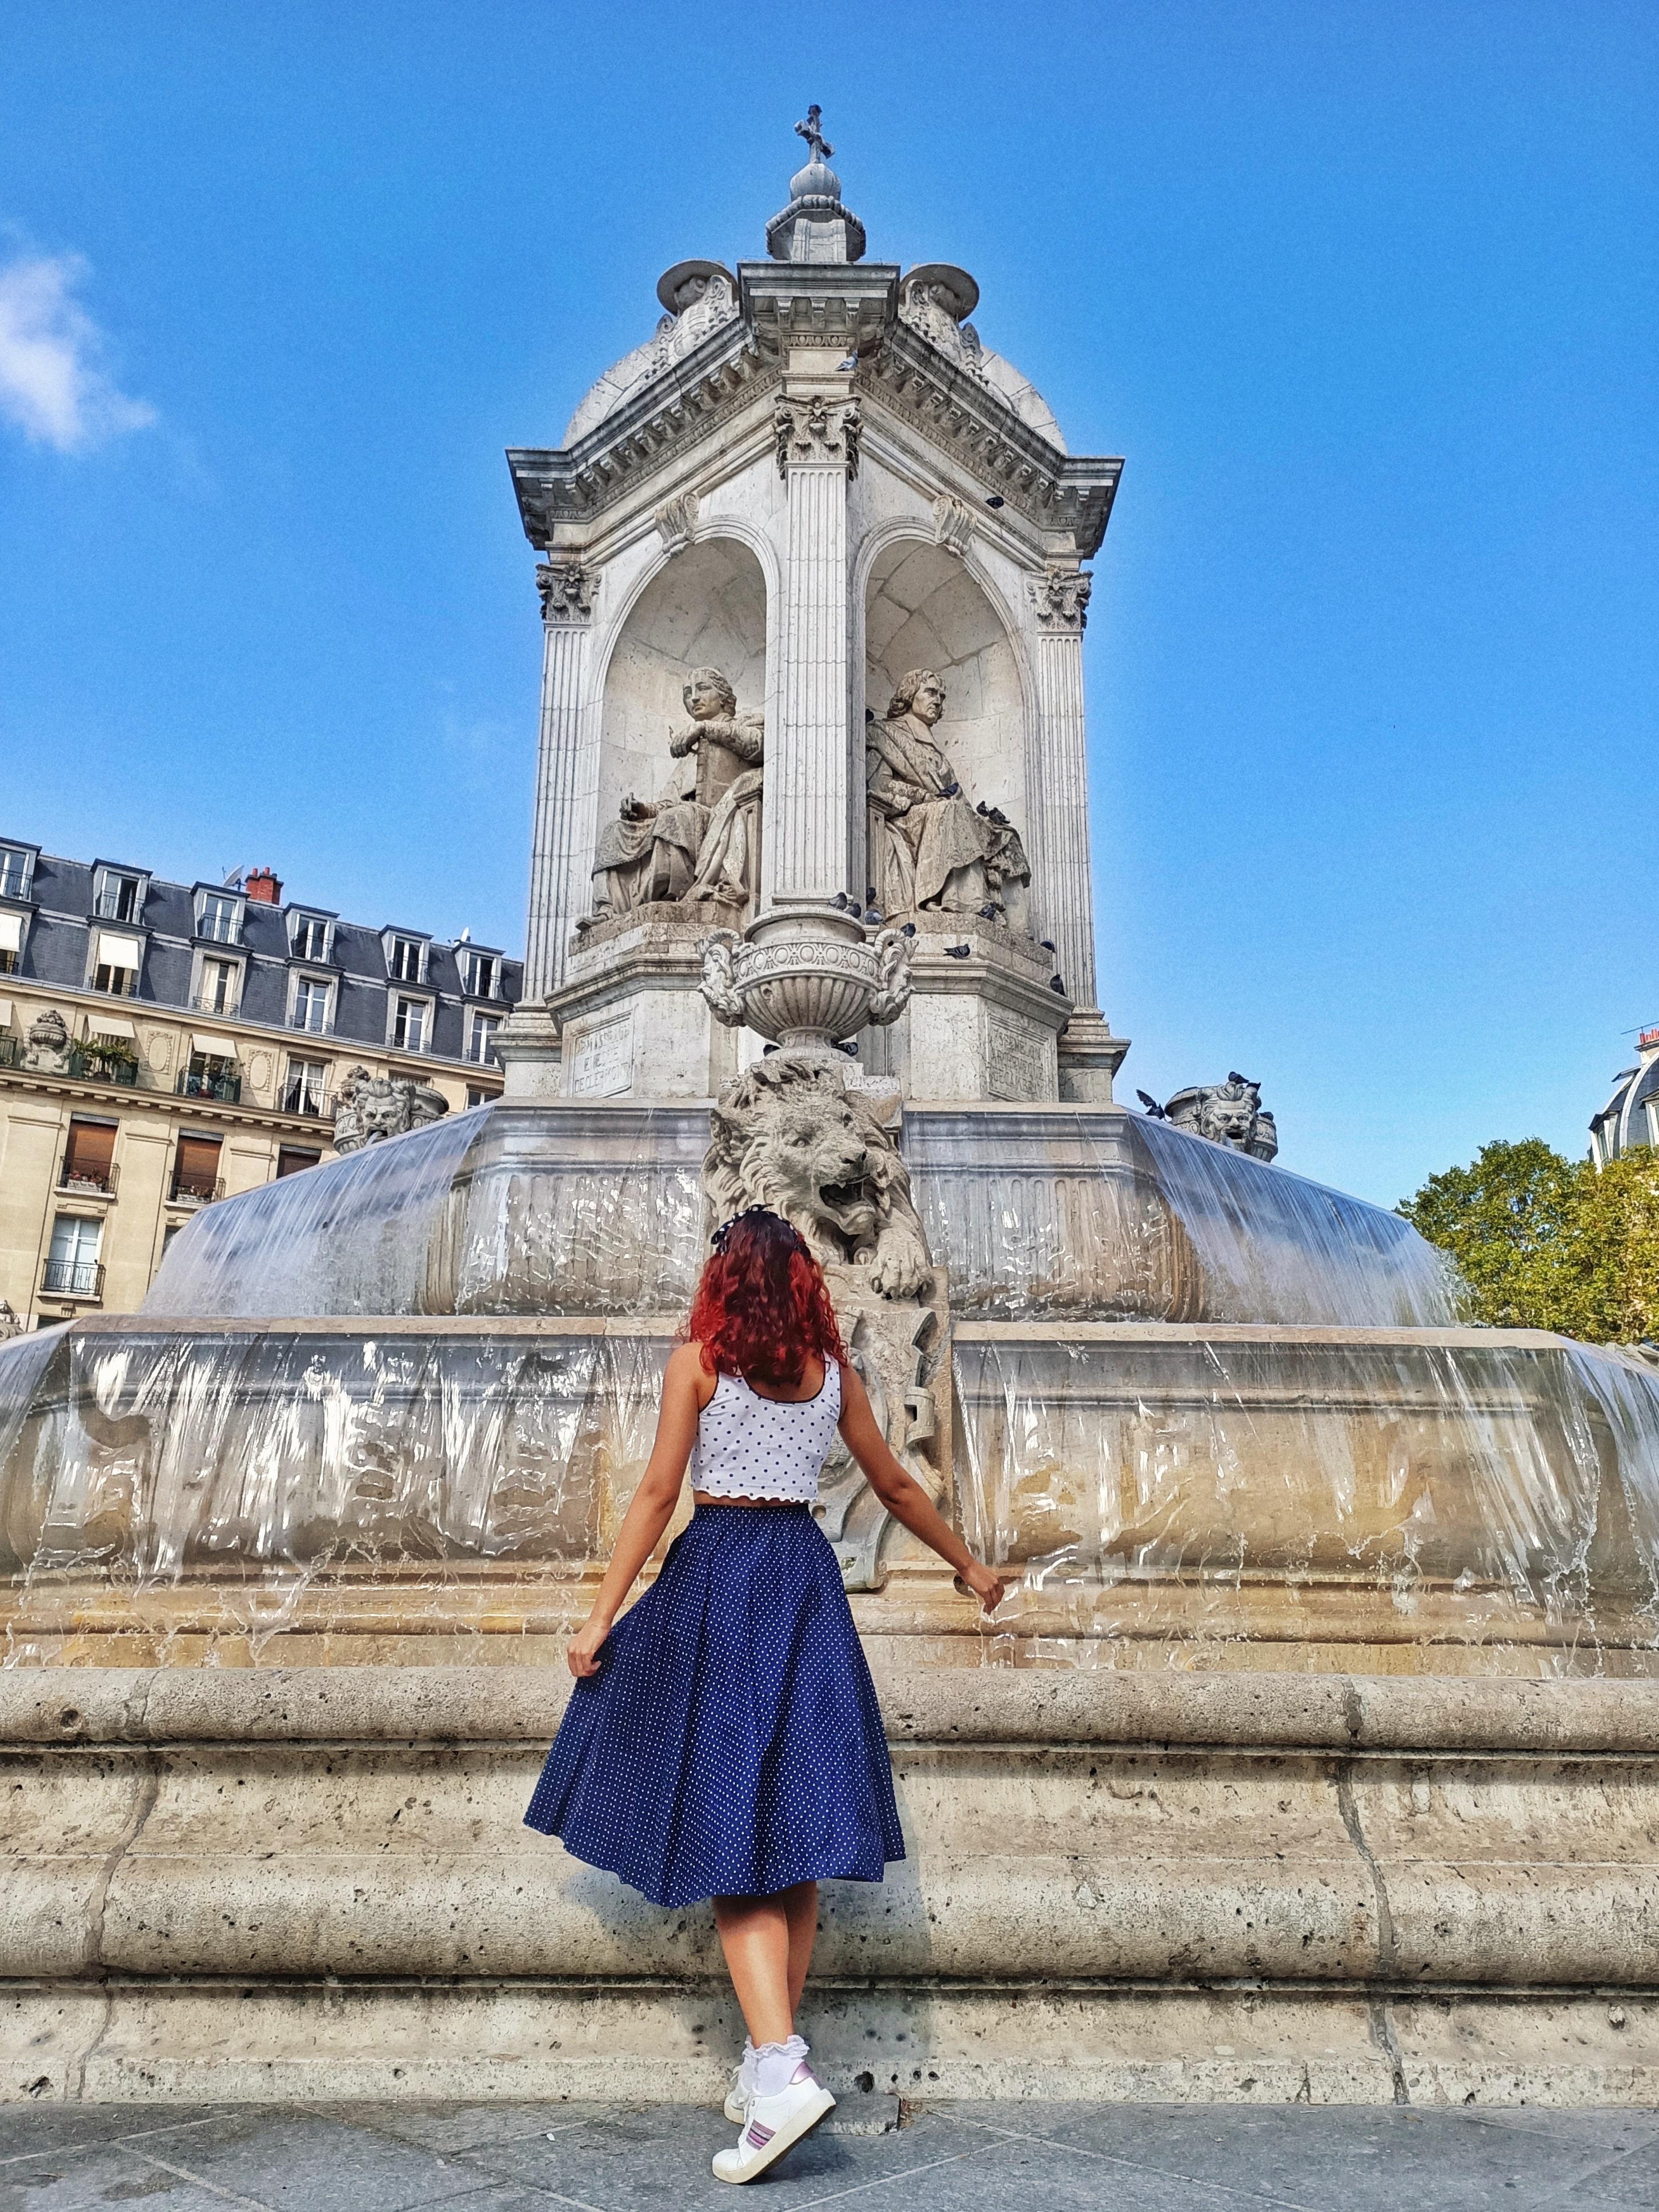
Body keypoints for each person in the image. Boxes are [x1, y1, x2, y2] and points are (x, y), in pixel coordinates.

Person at [524, 1205, 1007, 2183]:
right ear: (802, 1286)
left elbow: (659, 1495)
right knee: (790, 1827)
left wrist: (599, 1616)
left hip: (720, 1574)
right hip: (802, 1576)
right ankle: (766, 2061)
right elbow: (901, 1488)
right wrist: (971, 1567)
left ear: (724, 1281)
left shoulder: (699, 1361)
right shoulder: (834, 1377)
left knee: (734, 1830)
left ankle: (781, 2070)